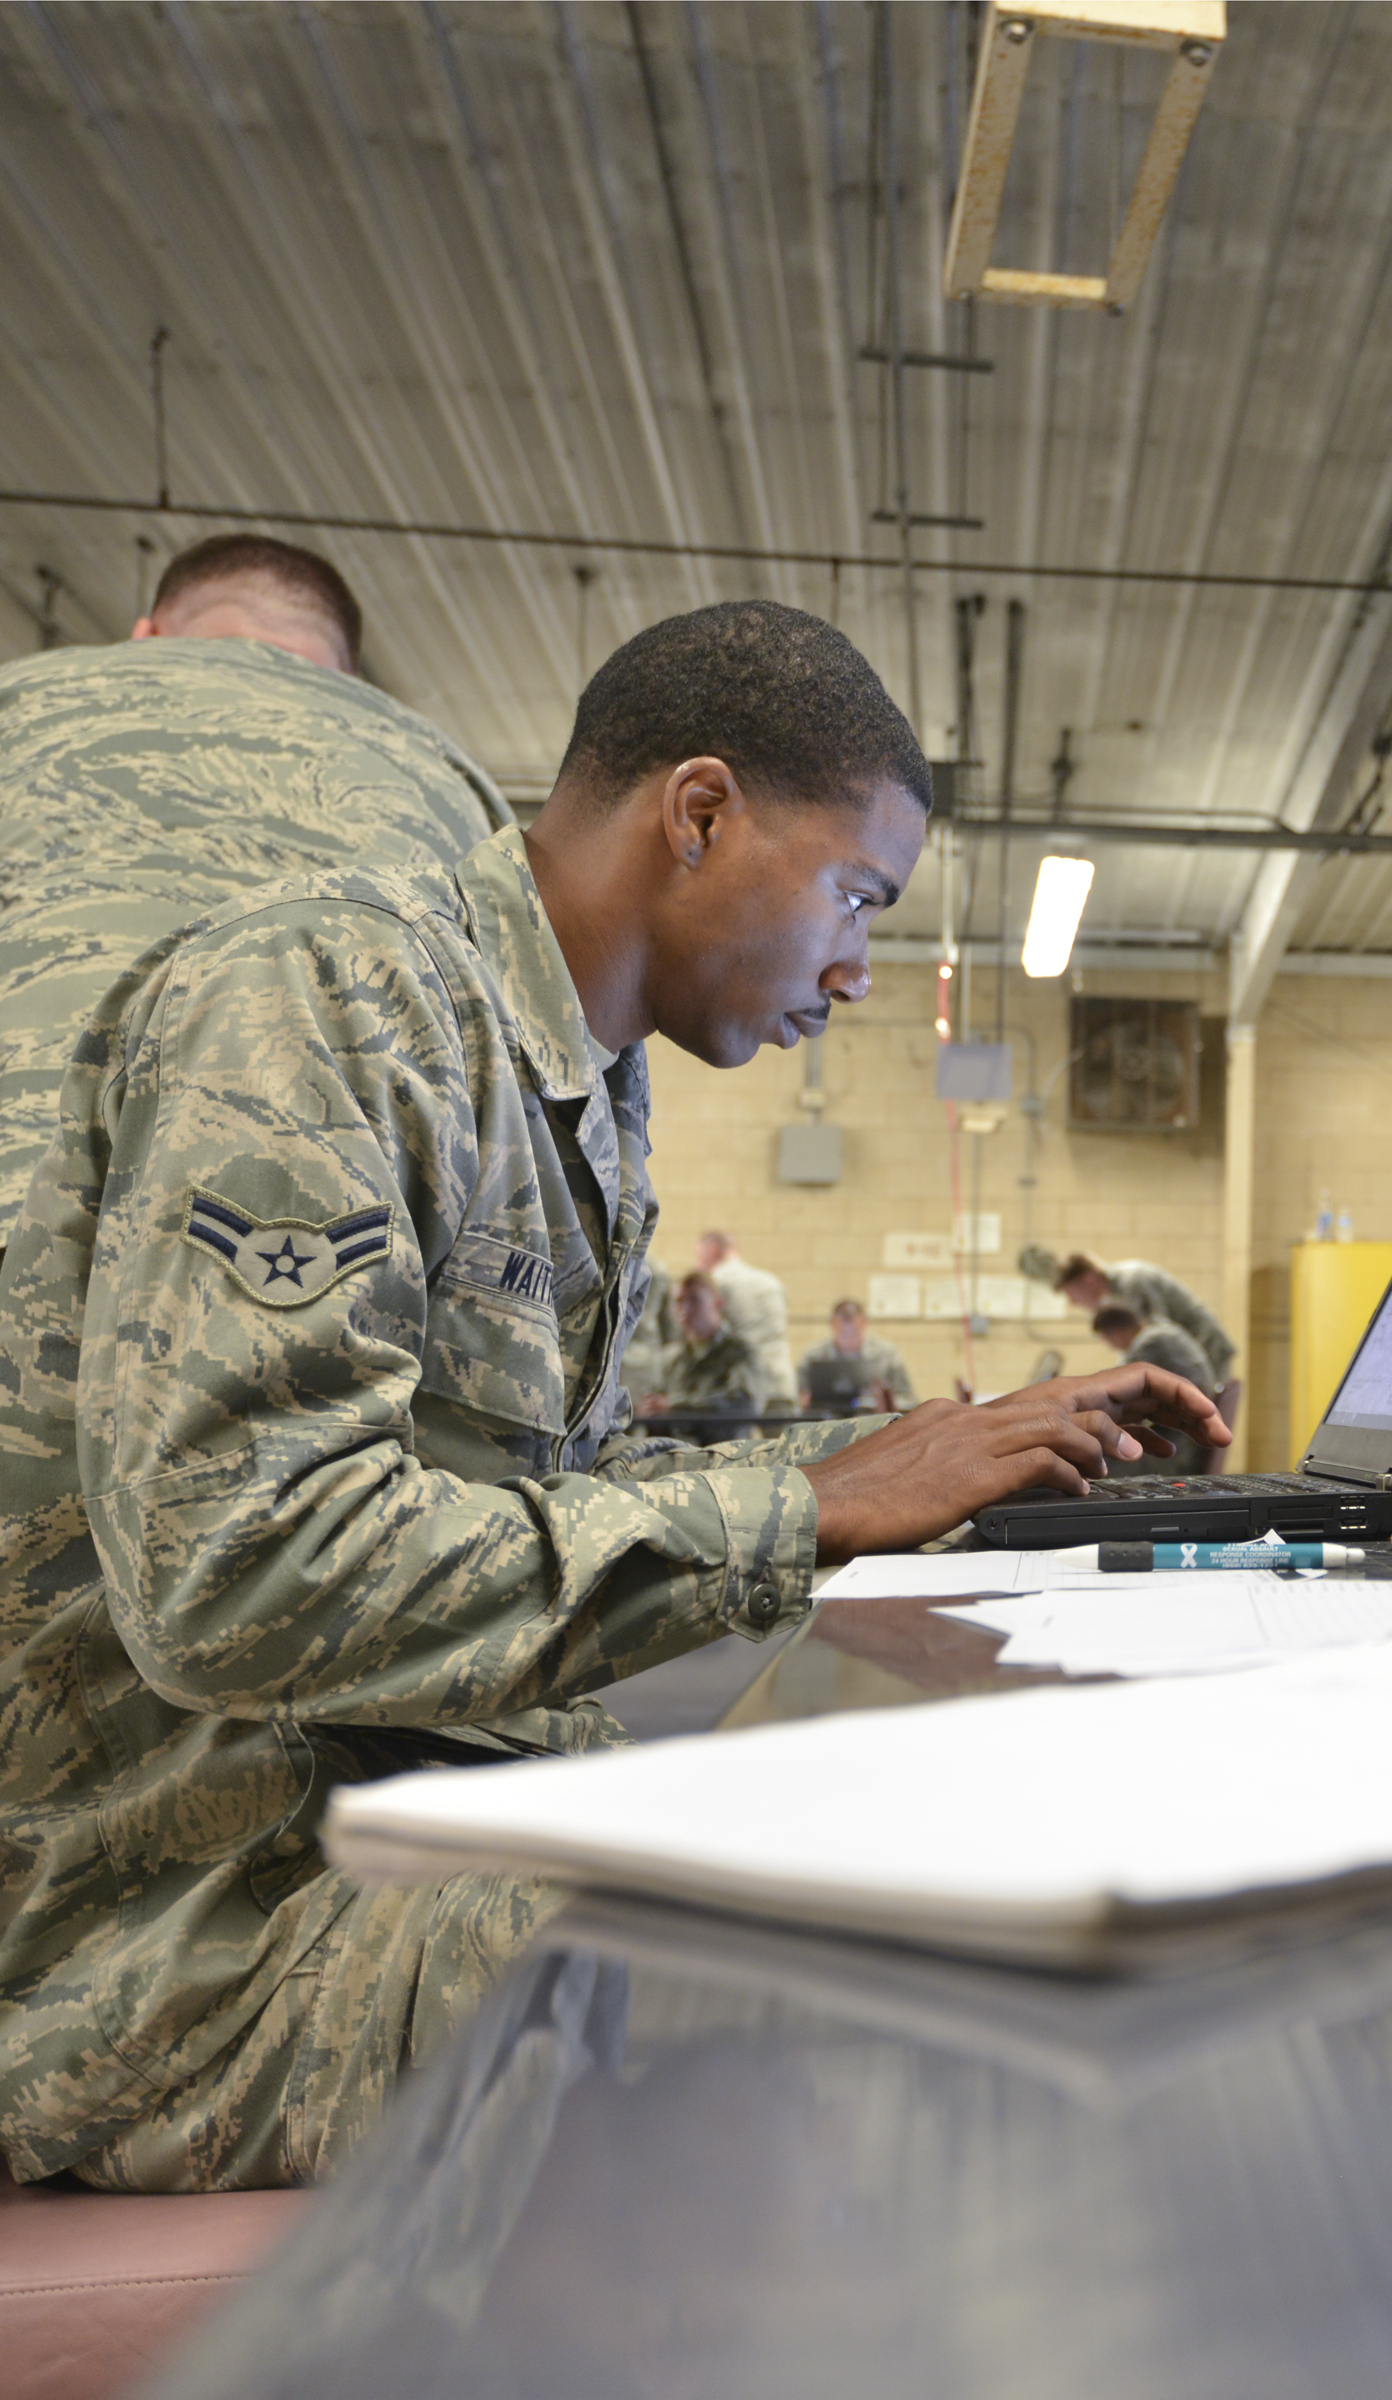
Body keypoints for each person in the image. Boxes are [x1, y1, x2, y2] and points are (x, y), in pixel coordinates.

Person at [0, 598, 1226, 2194]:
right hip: (181, 1934)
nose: (859, 967)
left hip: (387, 1794)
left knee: (978, 1850)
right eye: (857, 895)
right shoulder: (335, 993)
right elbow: (236, 1570)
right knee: (919, 1971)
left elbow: (543, 1476)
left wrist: (905, 1453)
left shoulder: (577, 1074)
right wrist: (803, 1506)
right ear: (700, 813)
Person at [0, 534, 511, 1219]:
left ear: (144, 637)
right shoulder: (448, 785)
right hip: (308, 1247)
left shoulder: (20, 703)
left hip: (22, 1189)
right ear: (348, 681)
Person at [1029, 1244, 1241, 1455]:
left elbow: (1157, 1346)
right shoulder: (1120, 1290)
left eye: (1072, 1293)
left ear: (1088, 1280)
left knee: (1198, 1431)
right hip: (1196, 1356)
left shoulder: (1132, 1283)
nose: (1074, 1302)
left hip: (1208, 1351)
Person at [1090, 1302, 1218, 1473]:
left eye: (1107, 1339)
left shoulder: (1150, 1344)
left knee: (1098, 1459)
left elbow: (1120, 1396)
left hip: (1178, 1447)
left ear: (1117, 1332)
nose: (1110, 1346)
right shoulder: (1165, 1332)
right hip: (1190, 1440)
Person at [640, 1273, 761, 1425]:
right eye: (679, 1302)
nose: (685, 1309)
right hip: (678, 1446)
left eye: (694, 1300)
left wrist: (675, 1408)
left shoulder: (739, 1352)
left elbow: (742, 1404)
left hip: (725, 1446)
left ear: (717, 1304)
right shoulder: (671, 1359)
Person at [695, 1229, 794, 1410]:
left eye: (699, 1257)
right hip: (780, 1380)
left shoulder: (716, 1282)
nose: (698, 1265)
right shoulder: (771, 1281)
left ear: (713, 1251)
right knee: (786, 1438)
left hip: (743, 1383)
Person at [800, 1298, 912, 1414]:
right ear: (832, 1323)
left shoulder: (887, 1355)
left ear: (864, 1322)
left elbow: (907, 1398)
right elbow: (799, 1398)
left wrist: (887, 1401)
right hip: (826, 1422)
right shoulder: (813, 1356)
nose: (848, 1327)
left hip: (875, 1421)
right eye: (843, 1323)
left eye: (853, 1324)